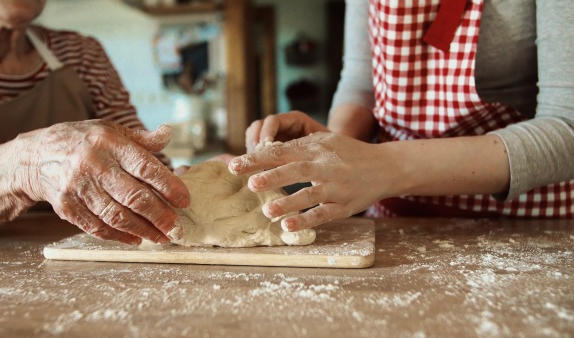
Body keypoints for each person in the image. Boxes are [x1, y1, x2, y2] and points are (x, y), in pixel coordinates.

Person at [228, 0, 574, 233]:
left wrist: (385, 166)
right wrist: (331, 147)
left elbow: (567, 128)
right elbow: (362, 81)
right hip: (395, 221)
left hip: (525, 225)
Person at [0, 0, 190, 245]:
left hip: (86, 244)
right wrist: (28, 167)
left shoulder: (79, 53)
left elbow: (135, 153)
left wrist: (180, 184)